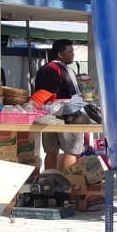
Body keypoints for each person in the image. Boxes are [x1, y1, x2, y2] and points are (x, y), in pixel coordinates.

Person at [34, 39, 83, 170]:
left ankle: (49, 185)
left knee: (51, 152)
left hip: (45, 115)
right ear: (60, 54)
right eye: (70, 51)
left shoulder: (42, 70)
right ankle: (69, 185)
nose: (73, 54)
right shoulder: (65, 70)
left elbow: (37, 94)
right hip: (67, 115)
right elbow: (76, 97)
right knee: (71, 151)